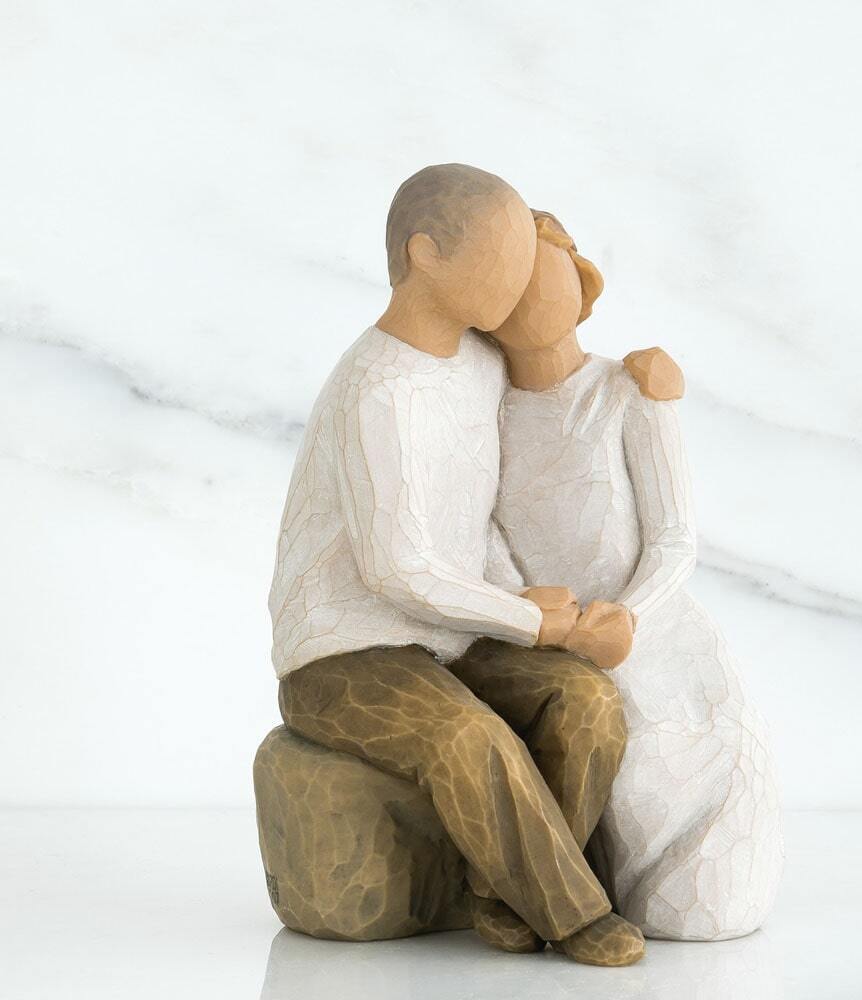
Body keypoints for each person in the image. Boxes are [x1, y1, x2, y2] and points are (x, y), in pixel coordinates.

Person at [268, 165, 644, 966]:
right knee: (466, 736)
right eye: (502, 252)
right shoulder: (377, 387)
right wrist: (529, 620)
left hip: (451, 639)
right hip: (345, 657)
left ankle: (501, 894)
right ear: (425, 254)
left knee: (586, 701)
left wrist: (636, 387)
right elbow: (395, 569)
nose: (519, 274)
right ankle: (572, 914)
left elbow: (481, 511)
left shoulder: (479, 363)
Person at [486, 210, 784, 940]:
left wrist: (629, 615)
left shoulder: (628, 391)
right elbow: (480, 529)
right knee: (588, 763)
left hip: (656, 638)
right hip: (547, 643)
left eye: (548, 269)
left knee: (686, 805)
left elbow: (675, 537)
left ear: (583, 283)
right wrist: (523, 606)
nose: (534, 293)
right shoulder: (481, 414)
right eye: (511, 278)